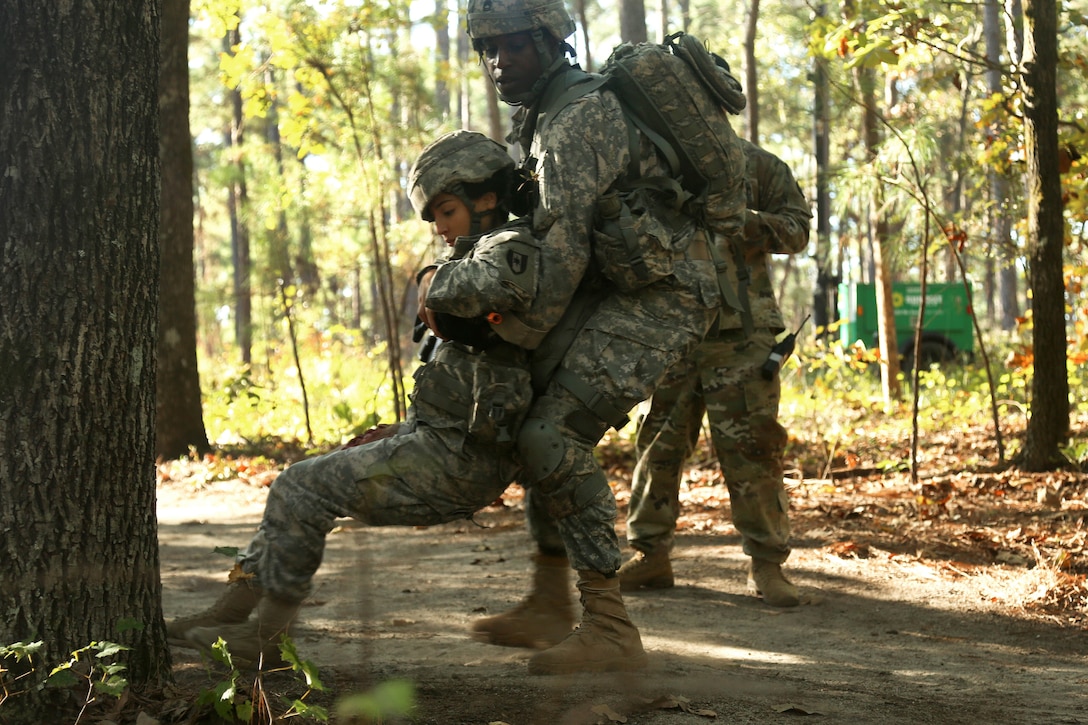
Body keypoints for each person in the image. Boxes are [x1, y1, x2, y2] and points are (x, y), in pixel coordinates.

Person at [165, 130, 567, 670]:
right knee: (298, 484)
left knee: (298, 488)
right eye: (434, 219)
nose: (441, 228)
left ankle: (268, 636)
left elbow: (483, 290)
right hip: (439, 443)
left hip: (462, 464)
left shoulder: (511, 249)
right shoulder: (476, 255)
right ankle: (234, 609)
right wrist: (403, 431)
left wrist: (431, 282)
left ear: (487, 198)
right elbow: (465, 382)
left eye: (446, 211)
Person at [451, 0, 749, 673]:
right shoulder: (547, 116)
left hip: (669, 294)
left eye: (516, 46)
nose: (500, 63)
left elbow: (559, 264)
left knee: (551, 433)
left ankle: (610, 626)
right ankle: (551, 600)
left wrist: (512, 333)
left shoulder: (577, 120)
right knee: (532, 412)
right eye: (489, 49)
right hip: (629, 284)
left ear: (553, 42)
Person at [619, 139, 812, 606]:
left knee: (753, 446)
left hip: (742, 334)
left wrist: (748, 224)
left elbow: (798, 231)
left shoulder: (757, 165)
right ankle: (650, 556)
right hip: (670, 330)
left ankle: (767, 565)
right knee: (656, 445)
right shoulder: (648, 165)